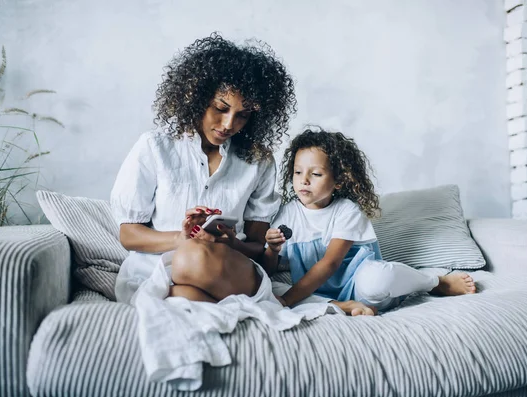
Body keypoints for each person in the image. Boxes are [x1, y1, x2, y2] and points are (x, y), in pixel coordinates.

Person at [110, 33, 297, 304]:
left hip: (228, 269)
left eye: (243, 115)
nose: (228, 124)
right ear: (197, 96)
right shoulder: (155, 147)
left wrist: (231, 243)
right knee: (185, 285)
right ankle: (242, 305)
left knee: (194, 258)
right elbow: (128, 235)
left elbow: (258, 247)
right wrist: (182, 238)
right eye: (221, 108)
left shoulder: (259, 161)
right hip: (160, 271)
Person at [262, 128, 476, 316]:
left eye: (316, 173)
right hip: (314, 292)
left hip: (361, 288)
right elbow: (269, 269)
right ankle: (340, 306)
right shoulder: (288, 213)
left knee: (379, 278)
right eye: (298, 172)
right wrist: (272, 249)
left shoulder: (347, 210)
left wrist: (288, 301)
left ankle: (435, 282)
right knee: (266, 286)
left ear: (338, 181)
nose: (304, 180)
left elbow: (330, 264)